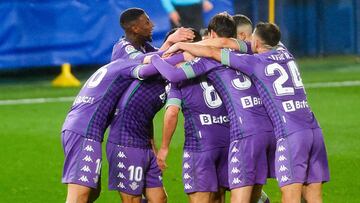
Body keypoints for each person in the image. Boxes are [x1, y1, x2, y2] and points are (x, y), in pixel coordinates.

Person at [164, 22, 330, 203]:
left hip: (288, 133)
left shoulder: (254, 62)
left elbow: (215, 51)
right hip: (314, 129)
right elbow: (228, 43)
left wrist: (177, 46)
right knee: (314, 195)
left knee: (289, 195)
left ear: (257, 43)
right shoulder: (285, 51)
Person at [151, 12, 273, 203]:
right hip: (234, 140)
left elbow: (172, 109)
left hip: (200, 145)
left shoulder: (199, 65)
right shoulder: (245, 54)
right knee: (231, 195)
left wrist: (156, 58)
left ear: (211, 34)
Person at [60, 50, 185, 202]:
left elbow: (152, 58)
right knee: (79, 196)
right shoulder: (127, 68)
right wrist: (185, 55)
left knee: (92, 192)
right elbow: (149, 68)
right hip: (87, 132)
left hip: (83, 129)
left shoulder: (119, 64)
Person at [156, 30, 229, 203]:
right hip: (229, 140)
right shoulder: (215, 62)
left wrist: (164, 147)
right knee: (219, 197)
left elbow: (172, 111)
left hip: (200, 145)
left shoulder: (177, 77)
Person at [111, 8, 195, 62]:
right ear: (135, 29)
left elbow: (159, 56)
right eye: (147, 23)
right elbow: (144, 61)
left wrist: (172, 43)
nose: (152, 25)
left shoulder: (143, 45)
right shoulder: (124, 48)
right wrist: (170, 42)